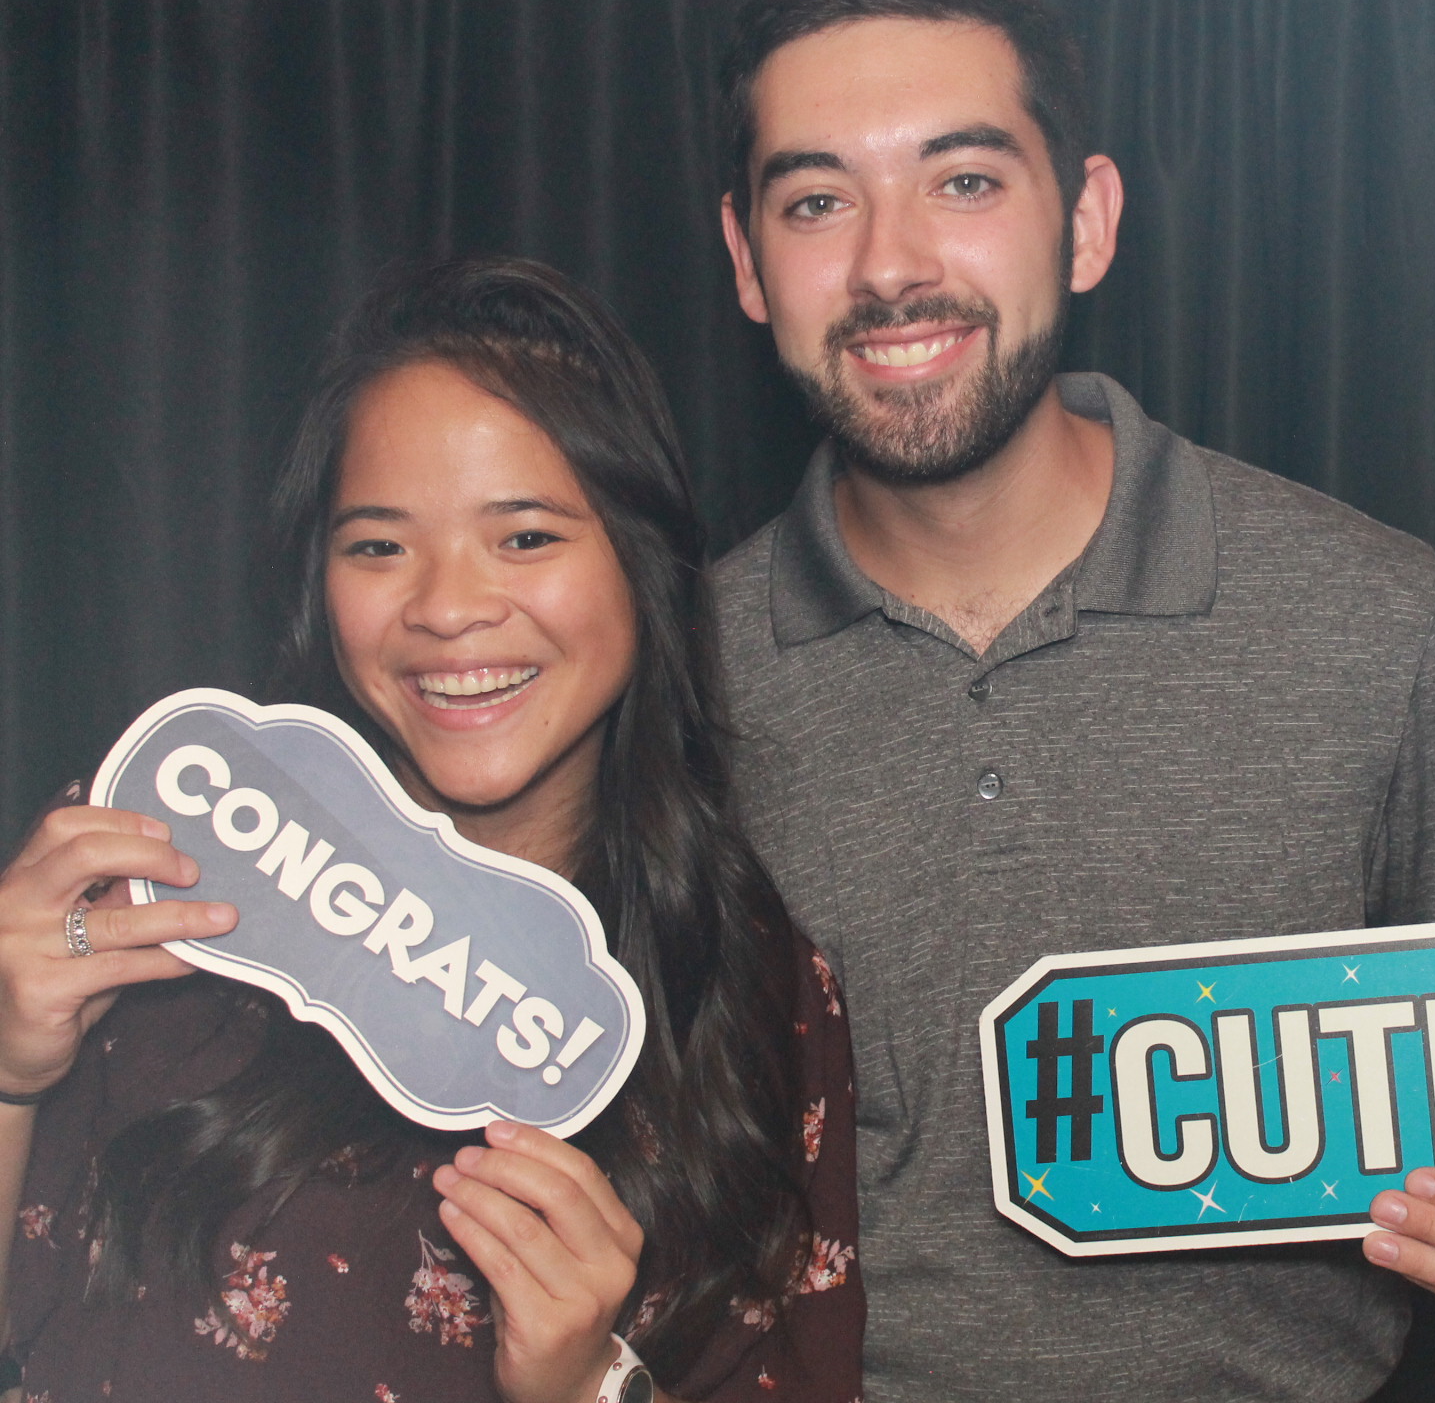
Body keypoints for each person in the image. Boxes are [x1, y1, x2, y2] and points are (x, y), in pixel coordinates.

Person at [709, 0, 1435, 1403]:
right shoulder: (679, 676)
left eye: (964, 182)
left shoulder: (1367, 609)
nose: (891, 265)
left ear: (1086, 223)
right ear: (749, 263)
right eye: (820, 199)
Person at [0, 257, 861, 1400]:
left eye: (526, 537)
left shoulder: (746, 987)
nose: (447, 607)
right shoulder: (148, 859)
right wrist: (8, 1068)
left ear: (645, 563)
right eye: (379, 545)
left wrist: (585, 1385)